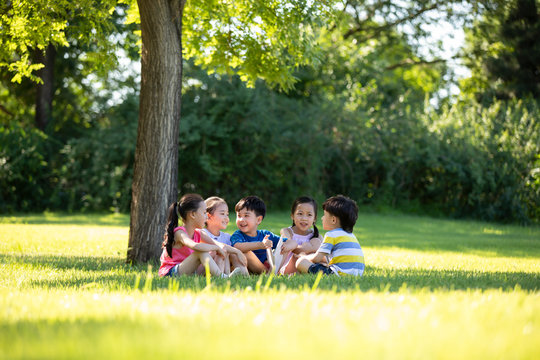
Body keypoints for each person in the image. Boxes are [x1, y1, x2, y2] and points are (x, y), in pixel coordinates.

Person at [158, 193, 247, 277]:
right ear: (192, 214)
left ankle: (226, 275)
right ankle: (222, 277)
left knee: (219, 251)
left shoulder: (198, 232)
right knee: (201, 252)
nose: (206, 216)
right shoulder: (179, 232)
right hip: (172, 272)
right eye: (204, 213)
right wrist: (215, 248)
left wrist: (237, 251)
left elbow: (220, 245)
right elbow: (195, 246)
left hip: (190, 270)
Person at [296, 195, 365, 276]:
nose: (322, 218)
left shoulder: (331, 235)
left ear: (333, 220)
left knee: (301, 263)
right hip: (357, 274)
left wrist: (304, 257)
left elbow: (316, 258)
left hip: (338, 273)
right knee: (324, 264)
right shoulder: (351, 235)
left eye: (325, 215)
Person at [230, 196, 281, 274]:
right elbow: (237, 246)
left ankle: (270, 272)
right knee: (241, 253)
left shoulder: (265, 234)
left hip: (264, 269)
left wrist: (290, 243)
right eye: (239, 216)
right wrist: (260, 245)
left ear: (258, 220)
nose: (241, 220)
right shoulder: (237, 235)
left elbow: (283, 242)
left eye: (246, 216)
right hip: (246, 267)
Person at [203, 196, 249, 276]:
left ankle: (245, 277)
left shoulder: (227, 237)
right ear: (209, 216)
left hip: (224, 267)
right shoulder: (203, 233)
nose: (226, 218)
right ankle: (222, 277)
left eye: (227, 214)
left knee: (232, 253)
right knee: (221, 251)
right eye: (222, 214)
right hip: (205, 268)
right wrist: (237, 252)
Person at [277, 196, 323, 274]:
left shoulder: (317, 236)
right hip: (289, 267)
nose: (304, 218)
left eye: (309, 215)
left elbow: (323, 254)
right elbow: (291, 247)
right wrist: (309, 249)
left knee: (319, 251)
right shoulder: (287, 232)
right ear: (292, 216)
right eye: (300, 214)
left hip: (307, 265)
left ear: (314, 218)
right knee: (297, 255)